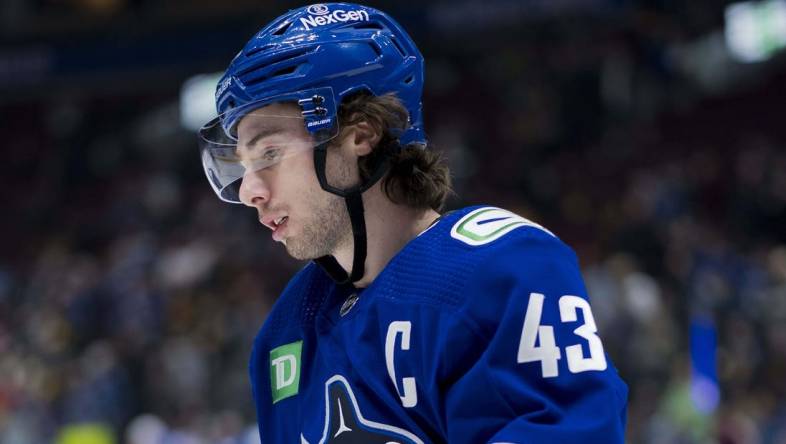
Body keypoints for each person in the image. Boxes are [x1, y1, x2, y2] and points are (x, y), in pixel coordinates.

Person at [198, 3, 628, 442]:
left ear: (359, 135)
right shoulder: (286, 329)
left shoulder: (498, 268)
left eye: (269, 153)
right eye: (244, 166)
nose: (251, 190)